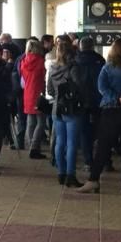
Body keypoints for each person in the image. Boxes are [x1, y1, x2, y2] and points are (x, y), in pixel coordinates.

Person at [78, 38, 121, 195]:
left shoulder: (109, 67)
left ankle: (94, 180)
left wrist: (119, 98)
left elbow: (101, 87)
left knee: (103, 146)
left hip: (112, 110)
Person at [48, 40, 88, 187]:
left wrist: (58, 95)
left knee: (60, 142)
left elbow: (50, 90)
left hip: (57, 108)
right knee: (72, 143)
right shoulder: (73, 67)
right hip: (72, 109)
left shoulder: (52, 68)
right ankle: (71, 175)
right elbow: (79, 86)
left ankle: (61, 173)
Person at [76, 35, 105, 170]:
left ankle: (88, 160)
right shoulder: (100, 60)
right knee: (100, 130)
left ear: (80, 46)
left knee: (83, 130)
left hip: (80, 101)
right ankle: (103, 160)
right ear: (93, 46)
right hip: (98, 100)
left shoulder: (75, 61)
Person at [20, 39, 49, 158]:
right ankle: (34, 147)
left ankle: (31, 145)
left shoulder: (23, 62)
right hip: (39, 94)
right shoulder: (41, 61)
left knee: (30, 122)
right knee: (41, 122)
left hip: (27, 93)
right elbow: (44, 78)